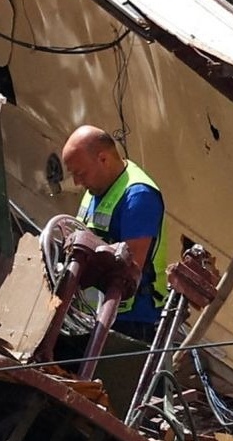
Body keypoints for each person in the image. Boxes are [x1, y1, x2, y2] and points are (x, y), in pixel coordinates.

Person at [47, 123, 172, 331]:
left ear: (103, 159)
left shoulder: (139, 196)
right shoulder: (96, 188)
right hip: (92, 313)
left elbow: (128, 272)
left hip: (130, 320)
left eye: (81, 173)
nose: (77, 182)